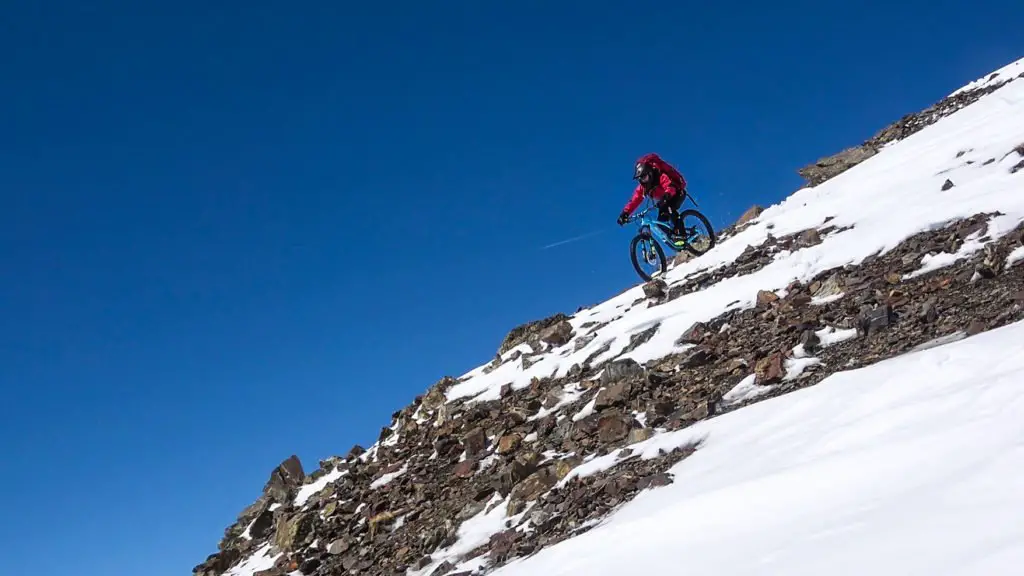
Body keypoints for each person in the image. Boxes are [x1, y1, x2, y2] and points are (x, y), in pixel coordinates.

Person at [617, 153, 688, 246]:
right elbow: (634, 200)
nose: (643, 180)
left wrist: (667, 195)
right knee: (661, 221)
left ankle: (681, 235)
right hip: (664, 200)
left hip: (677, 192)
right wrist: (625, 213)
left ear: (649, 173)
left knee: (670, 208)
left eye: (644, 177)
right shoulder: (643, 187)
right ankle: (674, 239)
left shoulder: (659, 176)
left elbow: (670, 185)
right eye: (640, 179)